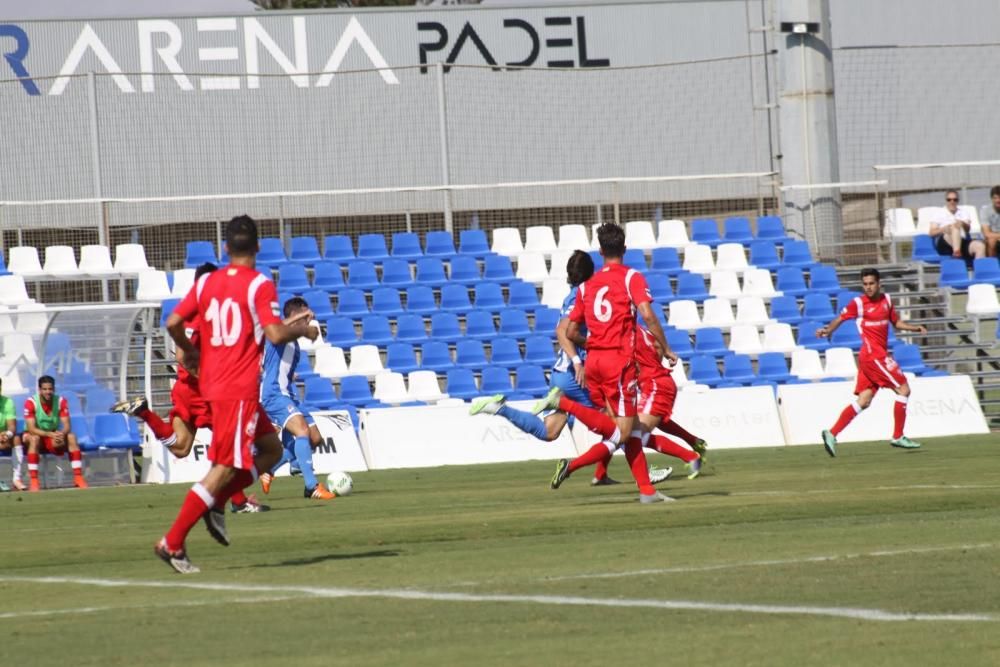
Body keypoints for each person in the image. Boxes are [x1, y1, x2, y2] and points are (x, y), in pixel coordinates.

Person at [155, 215, 316, 574]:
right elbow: (274, 334)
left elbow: (172, 324)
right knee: (227, 467)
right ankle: (174, 541)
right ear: (258, 247)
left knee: (270, 448)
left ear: (225, 248)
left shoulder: (207, 283)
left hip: (220, 385)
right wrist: (302, 330)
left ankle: (218, 501)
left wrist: (188, 349)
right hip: (236, 388)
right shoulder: (259, 284)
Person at [468, 250, 671, 486]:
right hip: (577, 376)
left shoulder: (574, 295)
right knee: (621, 423)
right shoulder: (581, 296)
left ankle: (499, 408)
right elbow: (563, 332)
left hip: (561, 376)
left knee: (550, 431)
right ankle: (643, 477)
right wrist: (578, 360)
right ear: (591, 272)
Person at [113, 262, 264, 514]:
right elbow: (183, 355)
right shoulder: (205, 311)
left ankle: (144, 412)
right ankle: (238, 502)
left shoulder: (190, 308)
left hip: (185, 388)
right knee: (231, 445)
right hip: (202, 391)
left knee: (181, 447)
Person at [549, 223, 673, 503]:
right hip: (618, 364)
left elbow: (569, 332)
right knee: (625, 431)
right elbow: (648, 315)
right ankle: (571, 465)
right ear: (624, 249)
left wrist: (593, 344)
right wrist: (665, 348)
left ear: (601, 251)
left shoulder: (586, 286)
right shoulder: (631, 277)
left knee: (622, 429)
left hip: (593, 364)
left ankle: (647, 491)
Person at [816, 268, 928, 455]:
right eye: (865, 284)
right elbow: (841, 318)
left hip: (873, 357)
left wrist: (915, 328)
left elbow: (897, 323)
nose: (868, 287)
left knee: (864, 400)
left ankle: (832, 433)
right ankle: (898, 436)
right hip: (873, 356)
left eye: (871, 283)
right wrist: (827, 331)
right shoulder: (858, 303)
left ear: (879, 284)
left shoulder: (887, 301)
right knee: (904, 389)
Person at [259, 296, 335, 500]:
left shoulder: (294, 344)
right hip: (274, 393)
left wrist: (289, 374)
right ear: (294, 315)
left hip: (288, 392)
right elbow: (275, 328)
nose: (308, 321)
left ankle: (270, 469)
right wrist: (301, 315)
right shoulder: (279, 333)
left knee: (315, 438)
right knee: (301, 430)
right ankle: (311, 486)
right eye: (304, 315)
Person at [22, 375, 87, 491]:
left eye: (50, 389)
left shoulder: (61, 401)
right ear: (40, 390)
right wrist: (49, 434)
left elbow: (67, 425)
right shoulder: (31, 402)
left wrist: (61, 434)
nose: (48, 392)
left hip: (51, 434)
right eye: (45, 389)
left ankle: (78, 477)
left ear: (54, 389)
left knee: (71, 437)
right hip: (33, 435)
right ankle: (34, 480)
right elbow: (31, 429)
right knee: (34, 439)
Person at [929, 190, 984, 265]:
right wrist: (943, 229)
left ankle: (981, 272)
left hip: (962, 241)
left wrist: (962, 223)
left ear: (958, 201)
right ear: (946, 200)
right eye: (949, 200)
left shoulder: (963, 213)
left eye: (955, 200)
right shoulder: (939, 213)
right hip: (945, 242)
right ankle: (957, 254)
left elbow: (967, 230)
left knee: (980, 246)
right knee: (954, 228)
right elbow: (931, 233)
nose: (952, 202)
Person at [0, 377, 24, 491]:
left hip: (2, 437)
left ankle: (16, 479)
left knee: (16, 439)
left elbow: (12, 426)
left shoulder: (8, 402)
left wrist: (7, 435)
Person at [978, 185, 1000, 258]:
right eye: (995, 198)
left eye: (999, 197)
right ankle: (992, 265)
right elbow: (987, 234)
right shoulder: (985, 211)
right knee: (991, 240)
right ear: (991, 199)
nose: (998, 200)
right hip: (991, 239)